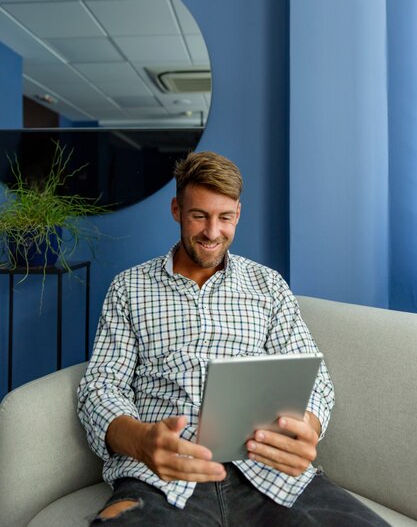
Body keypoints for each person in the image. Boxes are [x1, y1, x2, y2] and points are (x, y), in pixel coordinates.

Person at [78, 151, 389, 526]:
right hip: (161, 478)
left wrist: (307, 425)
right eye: (199, 216)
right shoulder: (129, 288)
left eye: (224, 218)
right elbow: (101, 385)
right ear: (177, 210)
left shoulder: (268, 286)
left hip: (272, 476)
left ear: (238, 214)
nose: (212, 232)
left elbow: (316, 381)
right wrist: (140, 439)